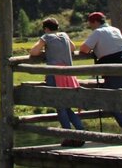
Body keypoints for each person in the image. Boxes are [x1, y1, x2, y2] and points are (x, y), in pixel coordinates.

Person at [79, 11, 122, 135]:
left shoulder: (98, 32)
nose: (91, 27)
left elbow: (84, 49)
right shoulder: (115, 30)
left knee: (110, 100)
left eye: (91, 24)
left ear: (96, 22)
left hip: (114, 69)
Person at [29, 17, 84, 145]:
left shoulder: (46, 37)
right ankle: (80, 131)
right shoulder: (64, 35)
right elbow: (72, 47)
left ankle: (68, 135)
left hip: (54, 74)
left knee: (60, 106)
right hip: (69, 73)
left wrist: (45, 50)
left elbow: (34, 51)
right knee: (67, 105)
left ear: (46, 28)